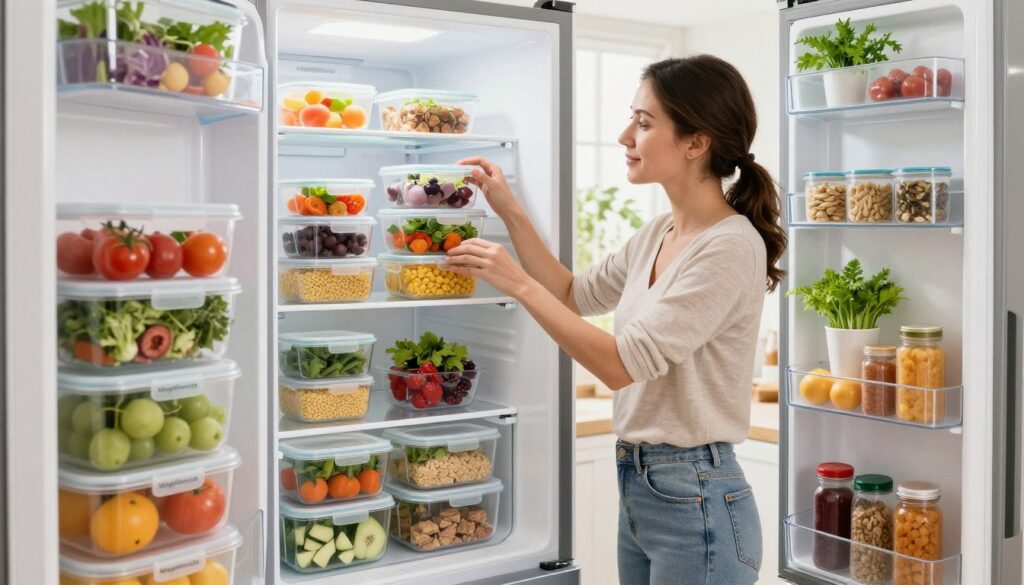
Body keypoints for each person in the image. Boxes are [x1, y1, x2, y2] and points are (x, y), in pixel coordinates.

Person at [445, 54, 786, 585]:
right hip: (641, 483)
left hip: (696, 493)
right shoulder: (658, 233)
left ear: (697, 143)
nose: (626, 135)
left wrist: (514, 282)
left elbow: (621, 365)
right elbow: (573, 293)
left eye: (645, 123)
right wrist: (509, 210)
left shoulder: (730, 247)